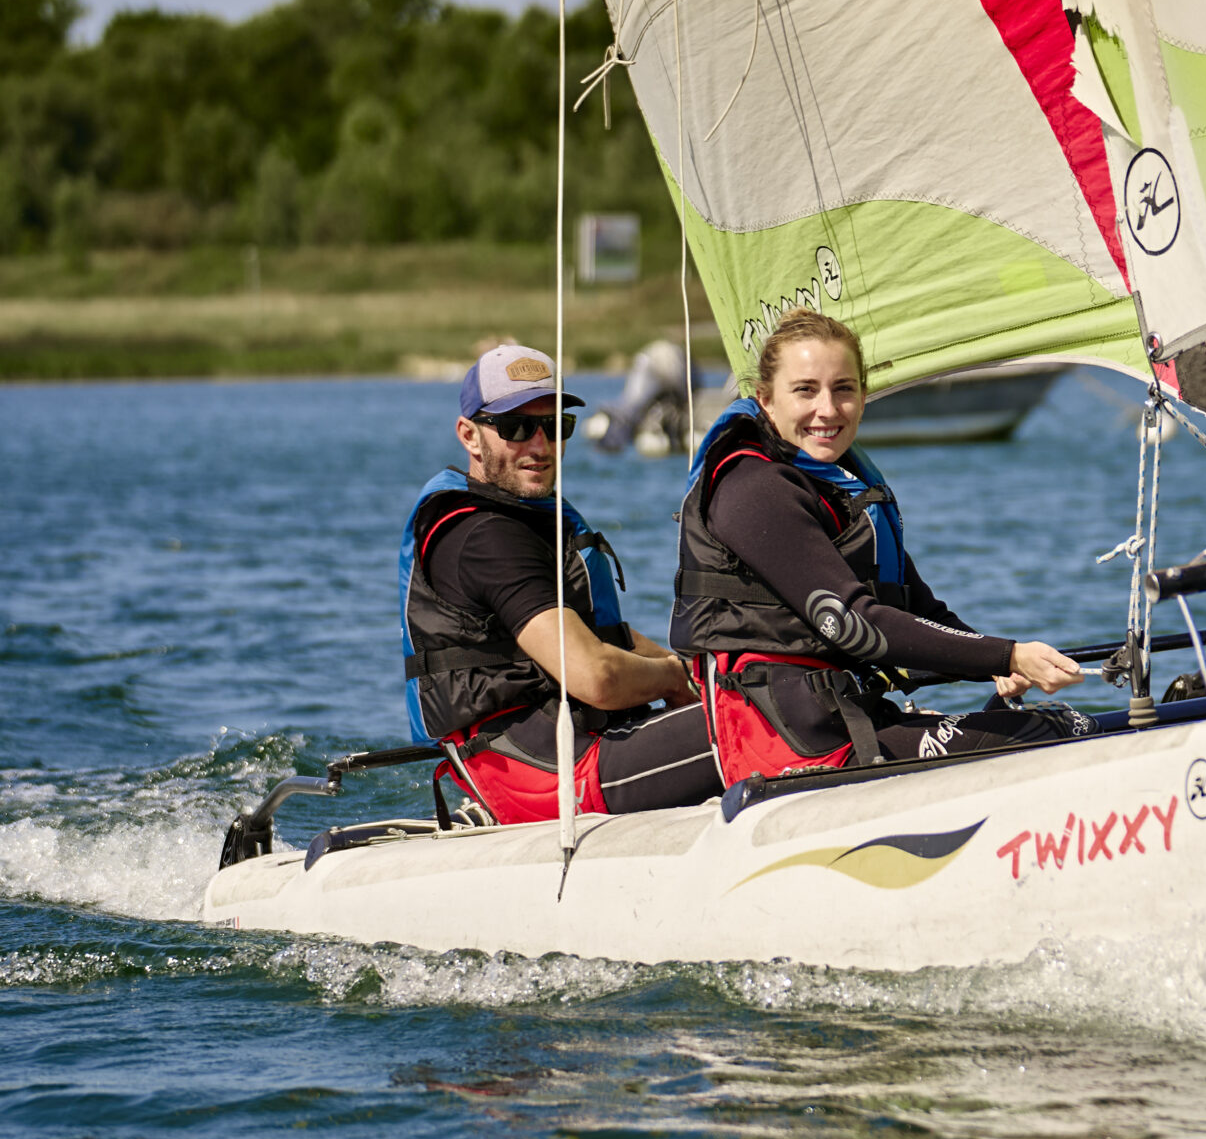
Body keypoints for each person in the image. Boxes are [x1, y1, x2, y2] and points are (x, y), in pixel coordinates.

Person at [673, 309, 1088, 781]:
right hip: (786, 746)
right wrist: (1006, 654)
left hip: (846, 715)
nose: (827, 409)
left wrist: (995, 665)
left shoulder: (836, 485)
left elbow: (918, 607)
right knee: (1063, 727)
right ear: (765, 399)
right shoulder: (753, 491)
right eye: (805, 390)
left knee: (1036, 722)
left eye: (843, 389)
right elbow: (853, 624)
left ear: (865, 397)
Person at [399, 344, 721, 823]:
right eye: (515, 427)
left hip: (574, 744)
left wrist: (699, 672)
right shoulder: (483, 536)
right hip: (544, 775)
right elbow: (596, 675)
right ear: (469, 435)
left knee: (759, 695)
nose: (540, 444)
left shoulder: (523, 517)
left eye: (555, 425)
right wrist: (673, 679)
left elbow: (597, 636)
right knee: (762, 722)